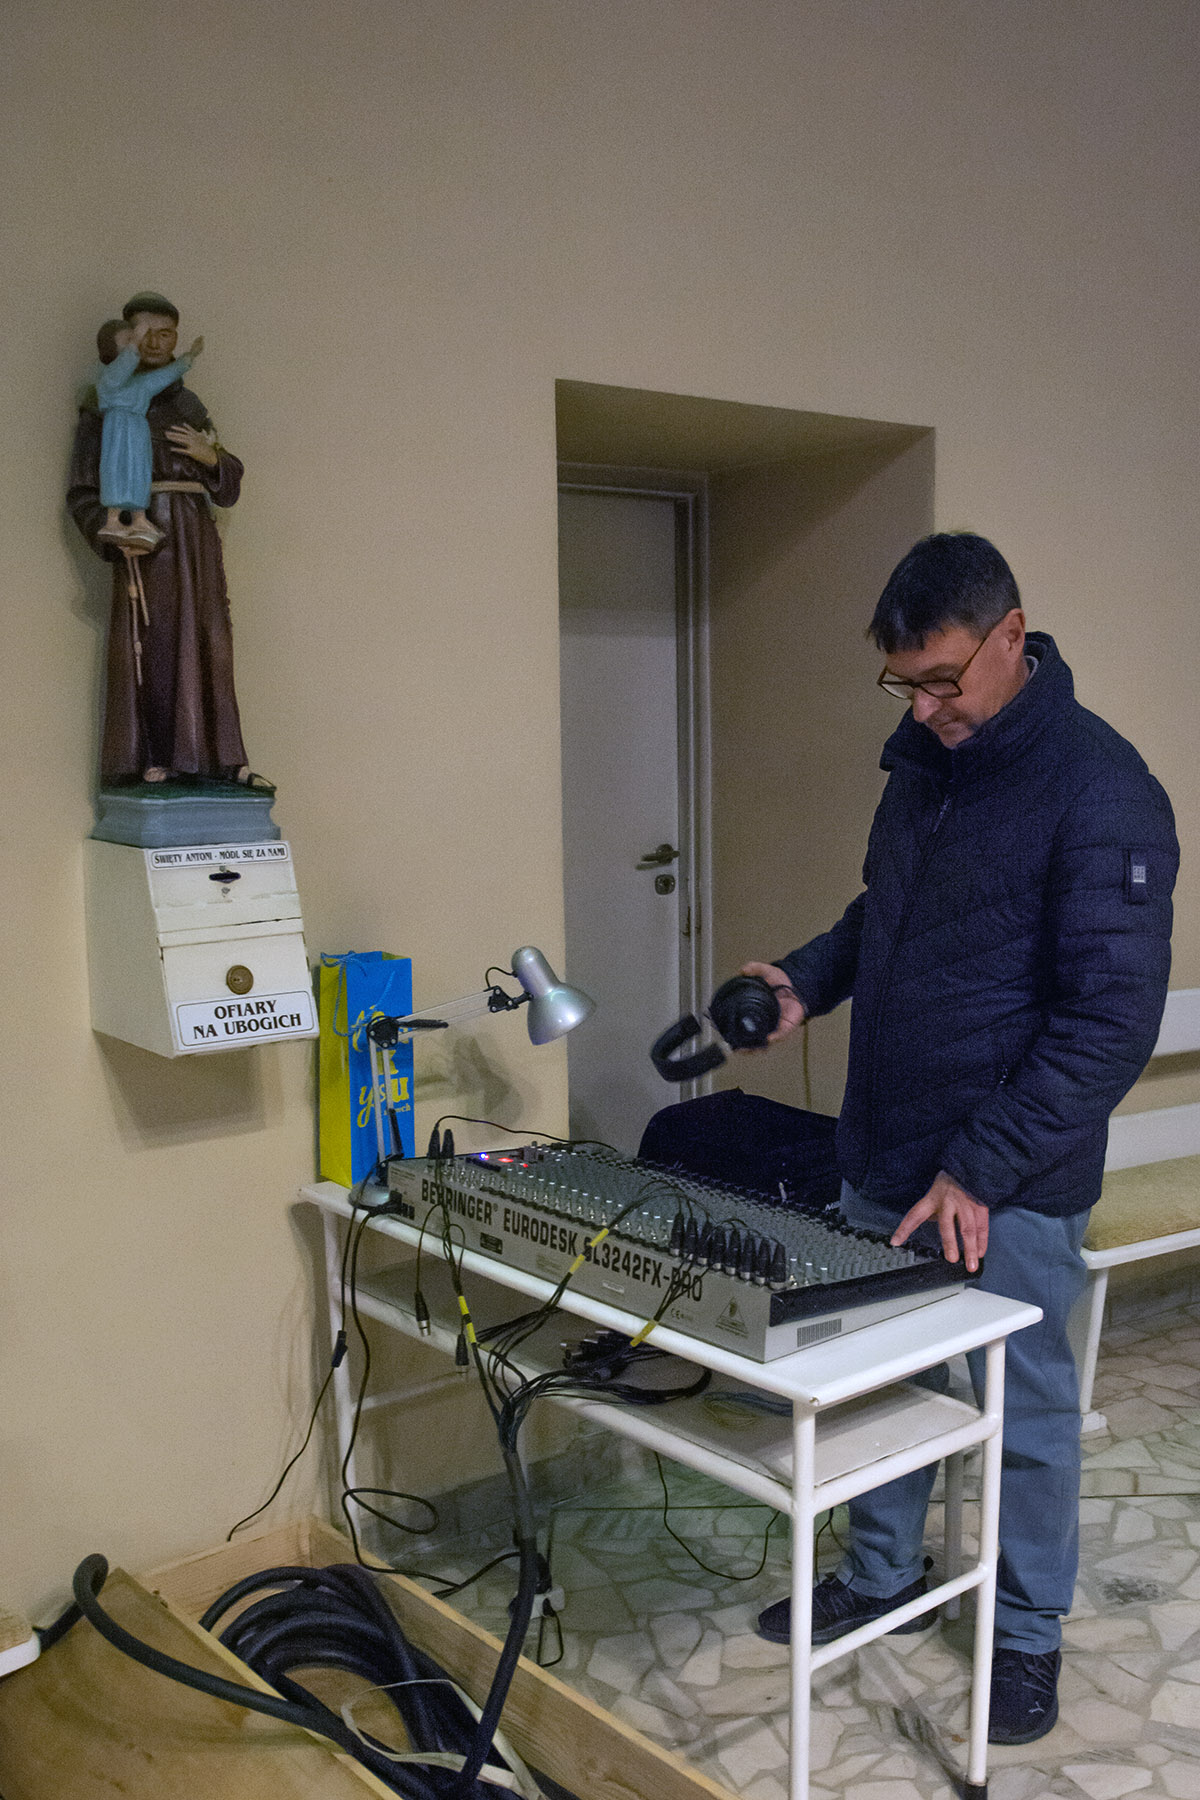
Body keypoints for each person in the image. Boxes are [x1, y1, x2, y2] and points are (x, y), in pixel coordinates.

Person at [741, 533, 1177, 1746]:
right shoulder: (925, 769)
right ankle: (882, 1577)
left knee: (1023, 1417)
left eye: (943, 680)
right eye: (905, 684)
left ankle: (1025, 1634)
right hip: (885, 1153)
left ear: (1011, 637)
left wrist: (978, 1168)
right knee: (882, 1382)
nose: (925, 707)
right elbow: (885, 916)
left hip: (1010, 1183)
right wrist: (803, 981)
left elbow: (1108, 1023)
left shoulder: (1104, 793)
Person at [68, 290, 266, 788]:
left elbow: (229, 485)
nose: (157, 343)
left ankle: (217, 759)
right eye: (146, 333)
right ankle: (155, 757)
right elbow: (82, 490)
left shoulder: (188, 403)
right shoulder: (104, 401)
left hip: (196, 540)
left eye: (167, 334)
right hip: (145, 537)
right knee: (153, 644)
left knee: (211, 642)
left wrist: (212, 457)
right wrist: (110, 533)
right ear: (127, 337)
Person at [91, 315, 203, 552]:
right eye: (128, 341)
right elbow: (122, 368)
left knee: (139, 473)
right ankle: (113, 520)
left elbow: (161, 377)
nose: (138, 344)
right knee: (117, 471)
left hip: (137, 432)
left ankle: (139, 519)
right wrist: (135, 343)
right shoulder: (110, 378)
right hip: (118, 430)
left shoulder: (139, 383)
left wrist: (188, 358)